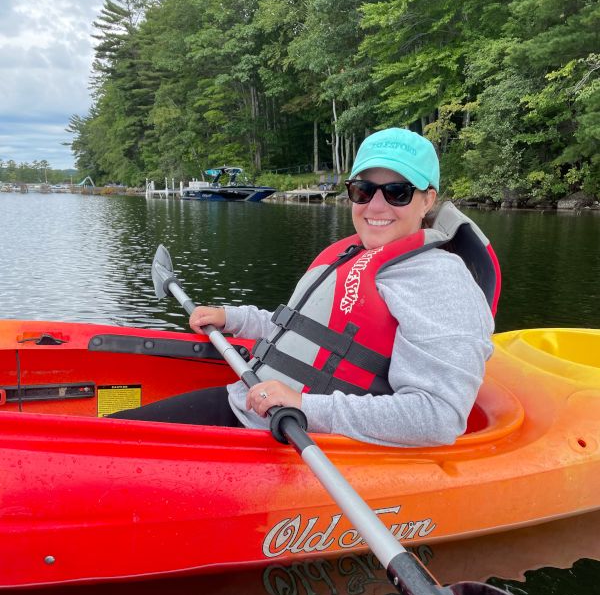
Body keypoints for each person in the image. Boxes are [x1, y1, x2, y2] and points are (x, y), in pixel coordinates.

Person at [114, 128, 495, 447]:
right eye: (363, 190)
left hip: (295, 440)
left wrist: (306, 406)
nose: (376, 206)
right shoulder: (353, 253)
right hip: (252, 408)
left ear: (427, 199)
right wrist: (235, 318)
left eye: (398, 192)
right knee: (114, 432)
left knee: (110, 450)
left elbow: (438, 417)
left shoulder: (440, 282)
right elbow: (301, 330)